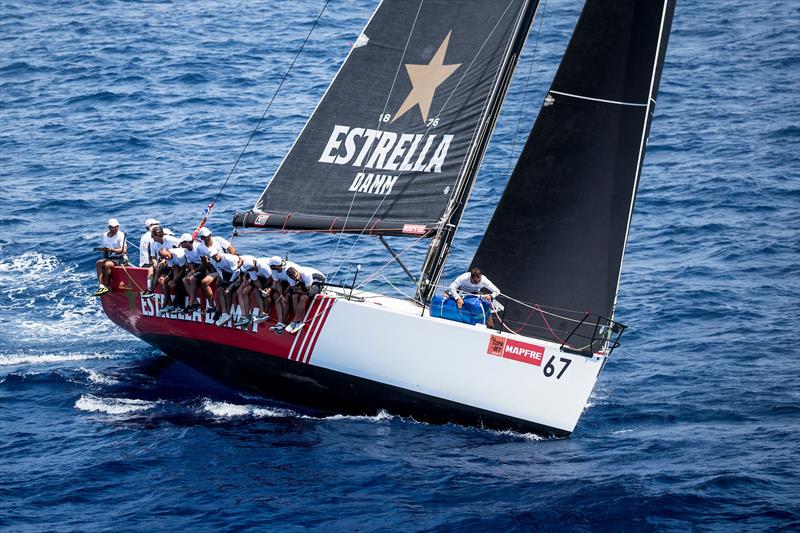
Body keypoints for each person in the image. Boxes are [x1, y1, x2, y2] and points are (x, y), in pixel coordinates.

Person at [196, 227, 238, 312]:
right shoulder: (200, 248)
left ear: (210, 235)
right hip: (215, 267)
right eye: (204, 237)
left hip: (226, 265)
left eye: (207, 236)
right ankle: (212, 306)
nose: (206, 238)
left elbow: (232, 250)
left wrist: (230, 260)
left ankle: (221, 311)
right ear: (201, 238)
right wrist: (209, 270)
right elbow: (204, 262)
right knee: (204, 282)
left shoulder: (218, 239)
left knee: (219, 284)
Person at [284, 265, 326, 334]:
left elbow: (307, 291)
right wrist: (298, 290)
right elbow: (294, 289)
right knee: (294, 296)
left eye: (297, 276)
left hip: (318, 280)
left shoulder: (306, 274)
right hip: (305, 282)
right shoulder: (291, 277)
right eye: (294, 278)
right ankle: (299, 321)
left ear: (297, 272)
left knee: (304, 297)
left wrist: (298, 290)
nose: (297, 278)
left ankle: (294, 320)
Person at [233, 256, 272, 327]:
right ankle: (246, 316)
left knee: (260, 293)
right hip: (261, 278)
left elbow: (270, 279)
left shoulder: (263, 267)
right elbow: (256, 281)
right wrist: (260, 289)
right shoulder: (251, 268)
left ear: (253, 267)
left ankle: (263, 313)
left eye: (249, 270)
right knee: (245, 292)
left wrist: (264, 288)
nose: (248, 272)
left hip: (271, 279)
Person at [142, 226, 180, 298]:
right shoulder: (153, 242)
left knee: (159, 268)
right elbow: (153, 257)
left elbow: (180, 245)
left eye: (153, 236)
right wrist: (155, 262)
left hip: (171, 258)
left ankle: (152, 290)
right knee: (152, 269)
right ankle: (150, 289)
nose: (152, 238)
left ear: (158, 236)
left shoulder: (169, 239)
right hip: (161, 259)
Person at [209, 251, 243, 326]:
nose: (215, 257)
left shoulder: (229, 258)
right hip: (226, 274)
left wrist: (230, 281)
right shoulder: (213, 261)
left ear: (218, 253)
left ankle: (227, 313)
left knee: (227, 292)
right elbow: (219, 270)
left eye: (215, 255)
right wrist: (223, 278)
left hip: (236, 274)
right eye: (213, 257)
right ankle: (225, 314)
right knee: (219, 290)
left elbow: (237, 271)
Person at [267, 256, 300, 334]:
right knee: (276, 295)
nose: (270, 267)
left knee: (287, 296)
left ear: (277, 265)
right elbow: (277, 282)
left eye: (272, 266)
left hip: (293, 284)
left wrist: (284, 294)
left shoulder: (288, 270)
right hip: (284, 283)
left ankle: (283, 322)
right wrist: (281, 294)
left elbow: (291, 285)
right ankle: (280, 321)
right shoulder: (274, 269)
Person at [94, 218, 127, 296]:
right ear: (109, 227)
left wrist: (112, 250)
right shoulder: (105, 235)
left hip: (119, 258)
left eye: (117, 226)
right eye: (114, 227)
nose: (116, 228)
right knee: (98, 263)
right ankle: (101, 286)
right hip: (109, 257)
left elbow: (124, 250)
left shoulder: (121, 235)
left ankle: (106, 286)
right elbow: (106, 249)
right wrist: (105, 251)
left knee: (107, 264)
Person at [158, 246, 189, 315]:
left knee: (179, 282)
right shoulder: (167, 257)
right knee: (164, 281)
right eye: (163, 257)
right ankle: (167, 304)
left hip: (186, 267)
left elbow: (183, 269)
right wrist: (172, 279)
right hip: (177, 268)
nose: (166, 258)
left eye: (166, 255)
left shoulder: (179, 255)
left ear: (169, 251)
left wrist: (175, 280)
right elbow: (174, 267)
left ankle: (180, 306)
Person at [179, 233, 204, 312]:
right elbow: (190, 262)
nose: (181, 244)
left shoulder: (198, 247)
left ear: (187, 242)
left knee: (192, 279)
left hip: (204, 267)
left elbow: (205, 263)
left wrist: (194, 272)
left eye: (182, 243)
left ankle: (190, 303)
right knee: (184, 280)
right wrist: (192, 271)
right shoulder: (186, 251)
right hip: (196, 267)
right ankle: (195, 302)